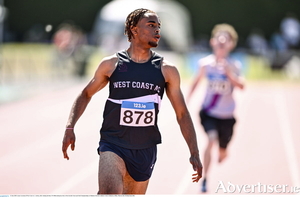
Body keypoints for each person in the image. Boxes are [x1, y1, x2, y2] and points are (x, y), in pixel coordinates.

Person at [62, 8, 203, 194]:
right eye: (151, 25)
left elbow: (182, 113)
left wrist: (194, 151)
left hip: (145, 149)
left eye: (158, 26)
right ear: (134, 29)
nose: (158, 30)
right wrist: (70, 127)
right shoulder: (111, 64)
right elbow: (86, 94)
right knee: (110, 192)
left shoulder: (167, 70)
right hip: (113, 143)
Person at [186, 23, 244, 193]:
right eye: (218, 42)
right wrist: (186, 101)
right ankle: (204, 178)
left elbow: (242, 86)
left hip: (227, 115)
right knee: (210, 140)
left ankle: (223, 150)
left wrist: (229, 74)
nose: (221, 45)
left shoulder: (234, 65)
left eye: (225, 43)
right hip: (209, 112)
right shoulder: (205, 64)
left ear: (231, 45)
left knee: (222, 151)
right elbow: (196, 81)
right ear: (212, 42)